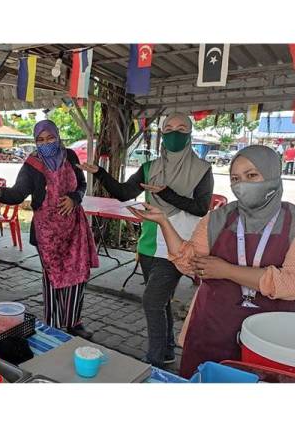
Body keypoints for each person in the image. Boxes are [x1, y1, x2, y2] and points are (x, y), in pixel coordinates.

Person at [127, 145, 295, 378]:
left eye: (252, 175)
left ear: (271, 174)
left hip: (267, 339)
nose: (242, 185)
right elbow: (188, 262)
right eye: (235, 179)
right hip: (210, 328)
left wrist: (227, 270)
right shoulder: (218, 218)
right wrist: (163, 222)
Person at [79, 112, 214, 368]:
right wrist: (100, 173)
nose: (175, 133)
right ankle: (166, 351)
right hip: (150, 242)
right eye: (169, 128)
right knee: (160, 302)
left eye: (181, 128)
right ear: (162, 133)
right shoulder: (150, 167)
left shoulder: (201, 170)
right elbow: (123, 193)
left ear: (190, 133)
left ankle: (153, 361)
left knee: (151, 300)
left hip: (177, 246)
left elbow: (200, 208)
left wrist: (167, 194)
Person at [0, 120, 99, 338]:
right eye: (40, 140)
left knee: (78, 273)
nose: (46, 143)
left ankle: (74, 322)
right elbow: (18, 193)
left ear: (58, 136)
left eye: (50, 138)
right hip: (47, 233)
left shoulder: (70, 156)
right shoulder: (32, 164)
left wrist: (74, 198)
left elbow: (81, 184)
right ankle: (53, 324)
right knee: (53, 277)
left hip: (74, 228)